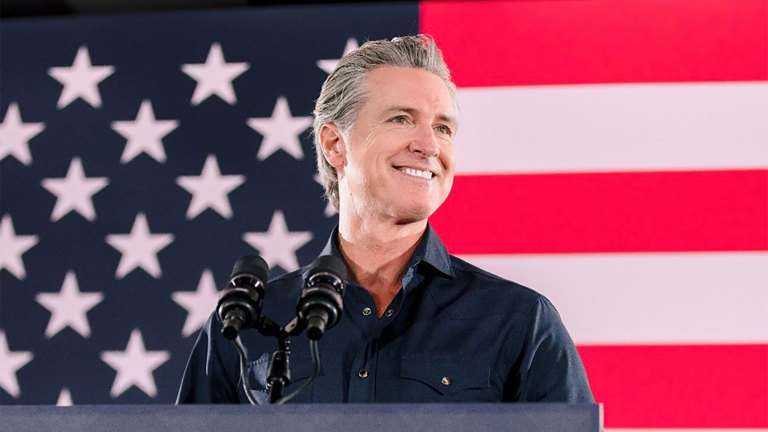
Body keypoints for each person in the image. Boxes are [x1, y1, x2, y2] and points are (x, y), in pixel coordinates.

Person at [176, 35, 593, 404]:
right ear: (334, 144)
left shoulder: (521, 320)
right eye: (401, 119)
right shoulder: (245, 324)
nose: (429, 145)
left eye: (443, 128)